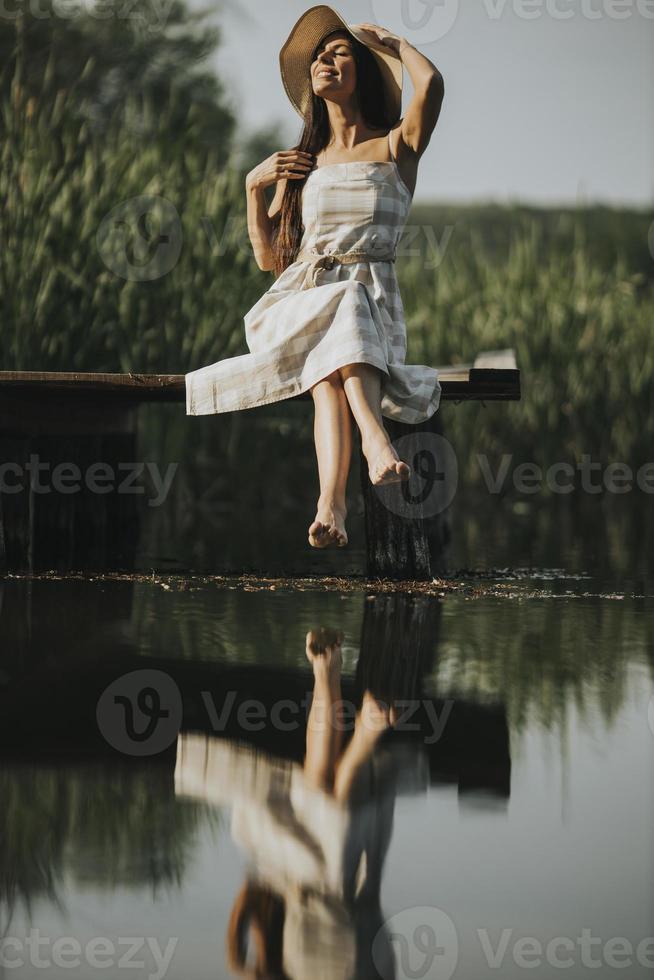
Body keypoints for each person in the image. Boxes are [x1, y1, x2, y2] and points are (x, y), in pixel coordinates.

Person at [185, 5, 445, 551]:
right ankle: (376, 447)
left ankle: (331, 505)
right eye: (319, 57)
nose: (326, 59)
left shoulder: (394, 148)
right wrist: (253, 191)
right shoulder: (302, 164)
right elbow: (267, 262)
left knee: (330, 371)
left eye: (339, 52)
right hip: (298, 302)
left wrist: (394, 45)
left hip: (372, 308)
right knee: (341, 305)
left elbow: (432, 85)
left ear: (362, 74)